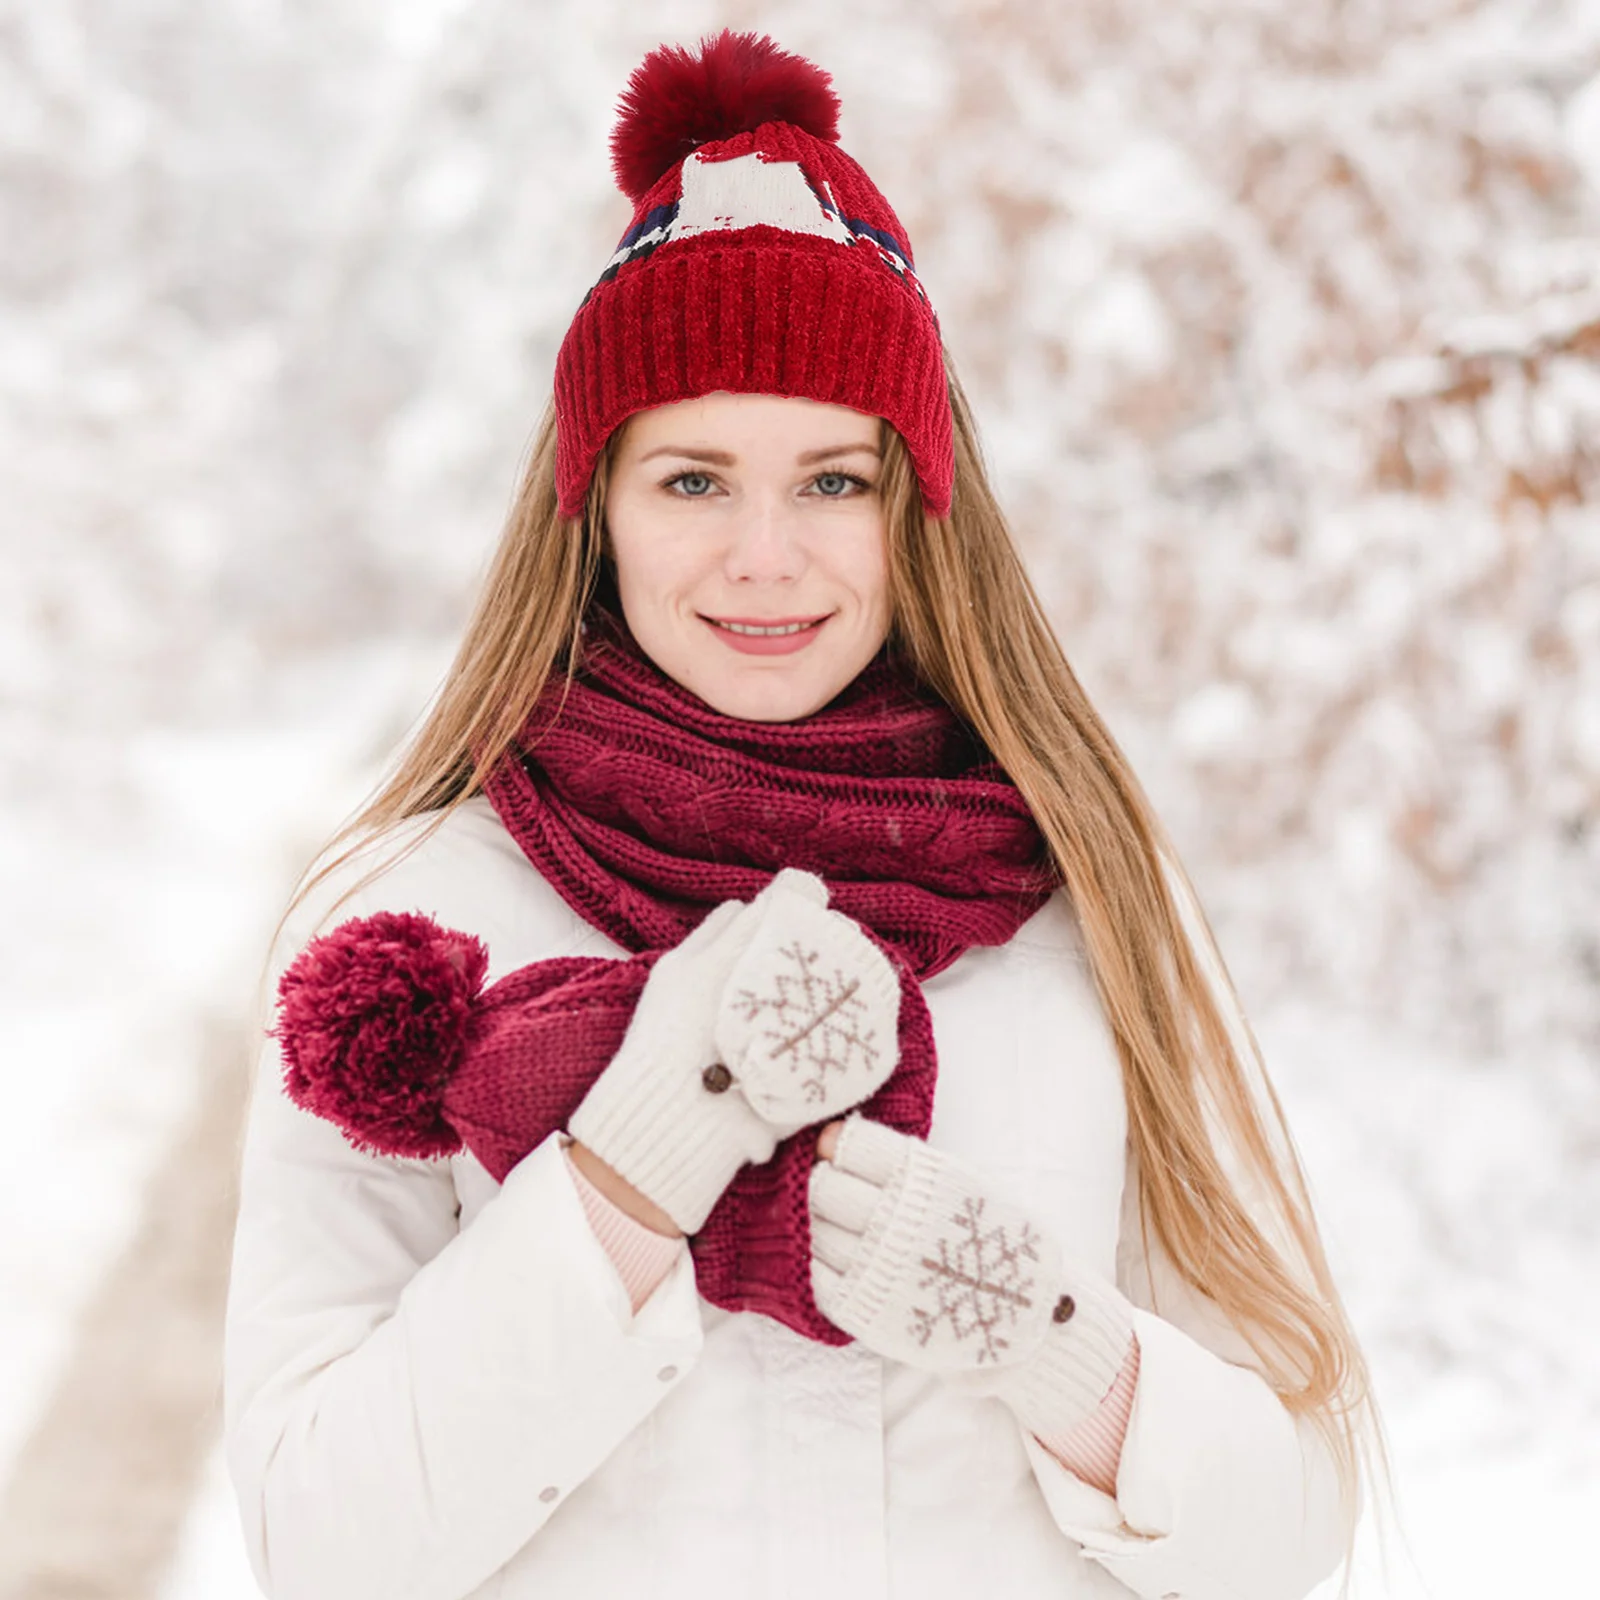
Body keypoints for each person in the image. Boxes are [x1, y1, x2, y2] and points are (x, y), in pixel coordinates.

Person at [224, 28, 1382, 1600]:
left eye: (833, 481)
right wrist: (638, 1162)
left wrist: (1052, 1346)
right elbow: (318, 1544)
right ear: (596, 506)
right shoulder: (415, 915)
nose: (766, 556)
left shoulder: (1089, 891)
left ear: (918, 506)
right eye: (694, 480)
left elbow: (1293, 1530)